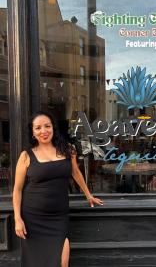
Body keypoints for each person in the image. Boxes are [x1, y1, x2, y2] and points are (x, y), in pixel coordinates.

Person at [12, 111, 104, 267]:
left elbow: (75, 172)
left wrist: (88, 195)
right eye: (38, 128)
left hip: (58, 217)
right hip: (33, 218)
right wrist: (17, 218)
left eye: (47, 126)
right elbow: (17, 189)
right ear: (33, 133)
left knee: (62, 260)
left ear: (53, 128)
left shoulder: (68, 149)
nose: (43, 131)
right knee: (36, 262)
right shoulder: (26, 156)